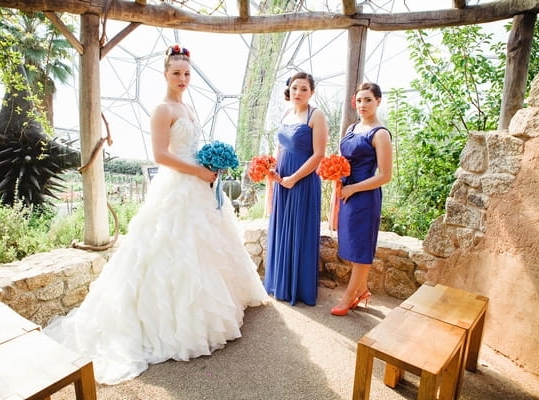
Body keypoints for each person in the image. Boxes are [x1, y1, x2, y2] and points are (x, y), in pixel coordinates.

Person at [44, 44, 268, 385]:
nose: (182, 79)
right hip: (177, 187)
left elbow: (193, 149)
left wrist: (210, 166)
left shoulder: (188, 107)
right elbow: (161, 155)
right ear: (165, 74)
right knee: (169, 249)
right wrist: (197, 171)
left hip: (199, 187)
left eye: (187, 74)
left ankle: (217, 307)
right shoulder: (162, 110)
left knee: (205, 248)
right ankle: (175, 325)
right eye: (176, 73)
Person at [264, 72, 329, 306]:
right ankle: (279, 283)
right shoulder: (286, 113)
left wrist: (294, 177)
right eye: (294, 88)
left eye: (303, 89)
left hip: (303, 179)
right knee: (282, 229)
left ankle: (299, 288)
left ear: (311, 92)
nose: (298, 93)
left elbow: (319, 154)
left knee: (299, 230)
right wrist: (271, 169)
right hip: (282, 179)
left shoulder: (316, 115)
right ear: (288, 90)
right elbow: (279, 147)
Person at [331, 82, 392, 316]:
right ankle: (363, 290)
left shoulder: (381, 134)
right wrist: (335, 174)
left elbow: (385, 176)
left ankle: (349, 296)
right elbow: (343, 160)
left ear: (378, 101)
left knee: (361, 249)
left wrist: (353, 188)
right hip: (347, 192)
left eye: (368, 100)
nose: (363, 104)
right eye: (359, 100)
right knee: (352, 245)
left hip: (365, 196)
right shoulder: (351, 128)